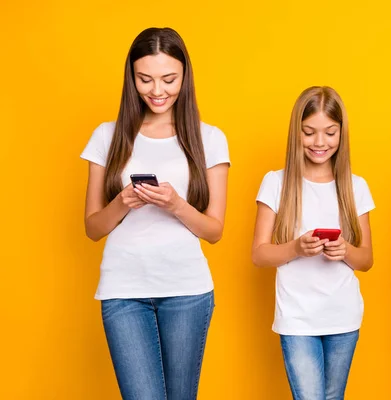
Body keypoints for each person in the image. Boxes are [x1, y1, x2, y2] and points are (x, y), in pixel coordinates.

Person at [81, 27, 229, 400]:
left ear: (185, 77)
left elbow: (214, 231)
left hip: (187, 292)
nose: (157, 90)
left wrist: (176, 205)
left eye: (168, 79)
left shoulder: (209, 138)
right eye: (145, 79)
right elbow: (92, 228)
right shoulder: (107, 136)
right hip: (124, 291)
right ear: (131, 78)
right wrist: (123, 202)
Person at [252, 86, 375, 400]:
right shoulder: (275, 182)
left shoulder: (355, 187)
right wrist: (296, 248)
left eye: (330, 133)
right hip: (297, 317)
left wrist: (345, 250)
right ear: (297, 132)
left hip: (343, 316)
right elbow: (259, 254)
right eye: (309, 132)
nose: (320, 142)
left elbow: (366, 260)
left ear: (341, 133)